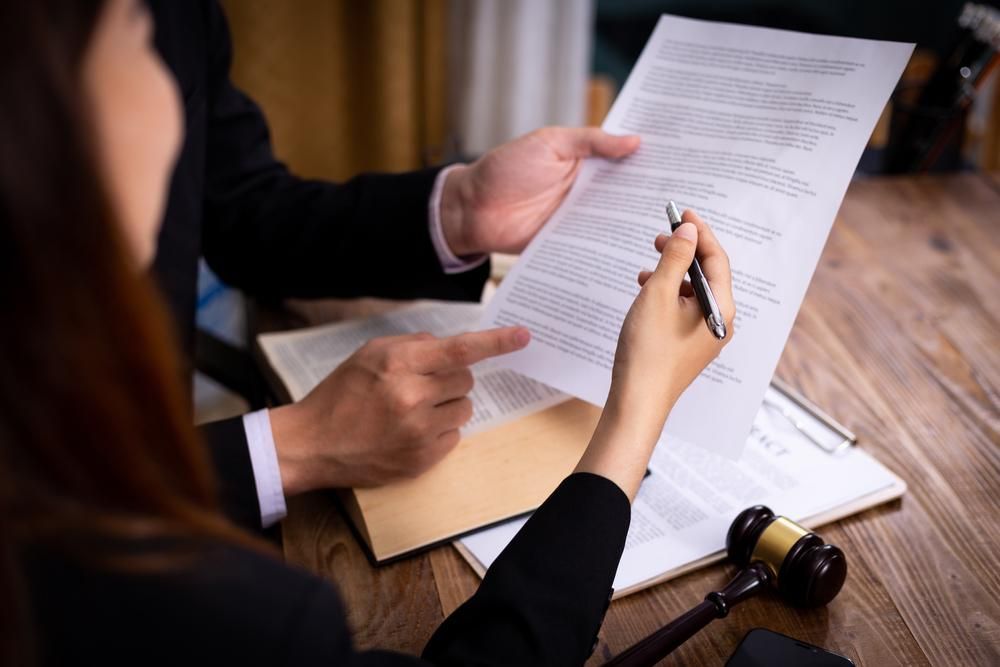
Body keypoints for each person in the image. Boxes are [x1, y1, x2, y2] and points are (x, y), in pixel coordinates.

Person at [0, 0, 734, 664]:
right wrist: (636, 415)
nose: (166, 83)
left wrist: (458, 210)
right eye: (132, 31)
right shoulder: (236, 618)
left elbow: (241, 206)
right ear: (36, 113)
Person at [146, 0, 648, 531]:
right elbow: (48, 500)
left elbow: (241, 212)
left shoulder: (178, 13)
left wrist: (463, 208)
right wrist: (293, 444)